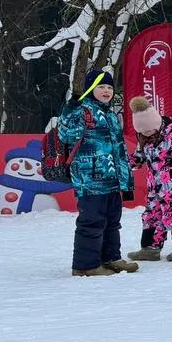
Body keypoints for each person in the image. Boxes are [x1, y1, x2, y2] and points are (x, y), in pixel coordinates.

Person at [58, 68, 139, 276]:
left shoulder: (111, 115)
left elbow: (119, 149)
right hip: (90, 178)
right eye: (101, 86)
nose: (106, 91)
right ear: (90, 89)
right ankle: (86, 266)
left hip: (112, 179)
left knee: (112, 221)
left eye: (109, 87)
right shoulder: (82, 111)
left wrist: (125, 178)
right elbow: (66, 135)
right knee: (92, 222)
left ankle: (111, 258)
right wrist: (70, 109)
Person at [126, 96, 172, 262]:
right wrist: (125, 164)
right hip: (155, 187)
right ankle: (150, 249)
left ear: (156, 123)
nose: (146, 134)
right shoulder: (145, 139)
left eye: (149, 130)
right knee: (151, 215)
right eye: (142, 131)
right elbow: (139, 157)